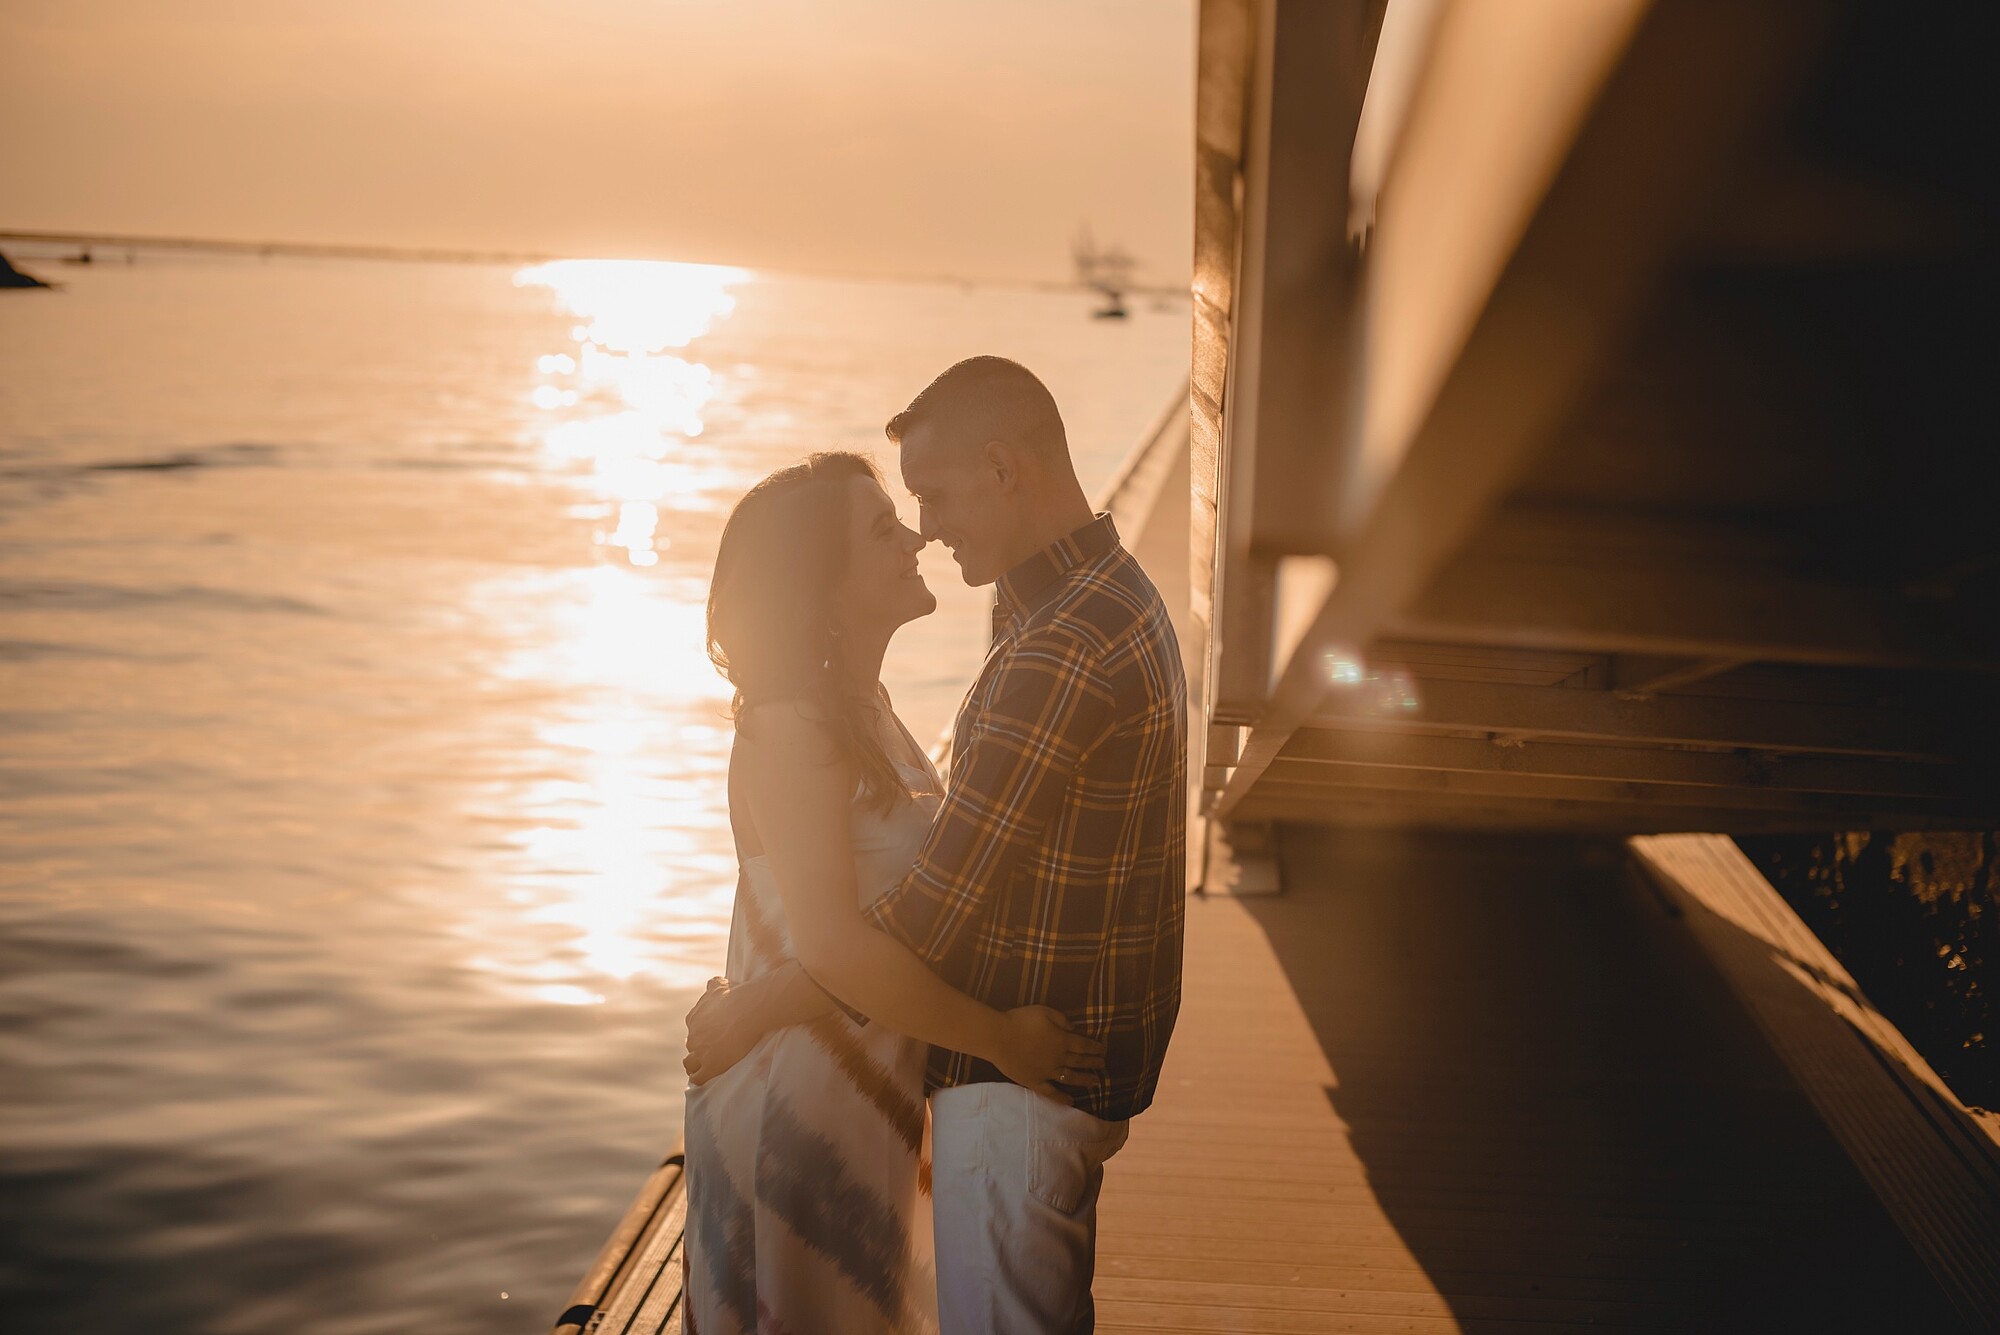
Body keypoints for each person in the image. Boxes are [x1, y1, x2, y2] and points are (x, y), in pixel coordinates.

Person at [688, 357, 1188, 1333]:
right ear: (823, 586)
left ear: (1002, 469)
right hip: (837, 1092)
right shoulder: (1072, 608)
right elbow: (893, 912)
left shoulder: (1048, 643)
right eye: (891, 520)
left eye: (926, 497)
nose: (921, 528)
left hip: (976, 1087)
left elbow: (935, 906)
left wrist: (758, 1006)